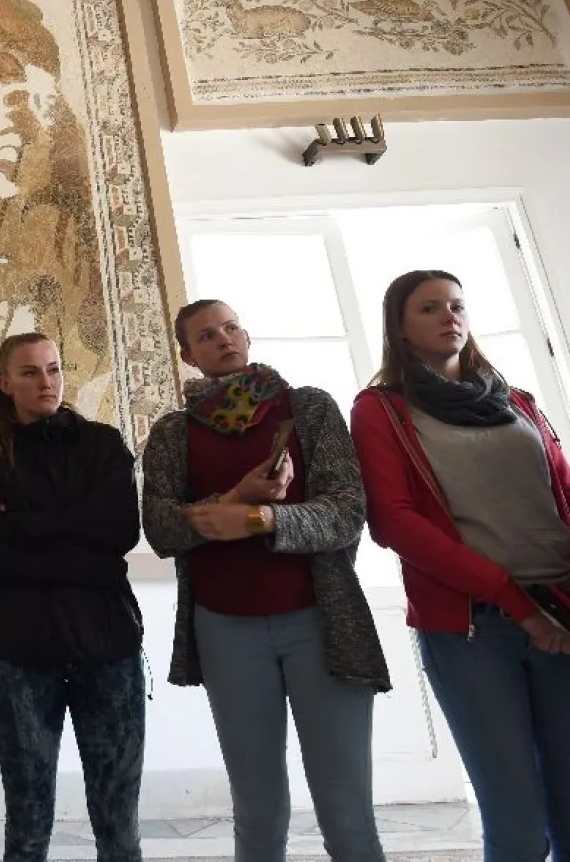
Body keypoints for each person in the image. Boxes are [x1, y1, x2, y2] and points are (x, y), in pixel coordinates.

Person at [351, 270, 570, 862]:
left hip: (568, 617)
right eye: (429, 308)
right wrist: (514, 601)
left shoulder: (518, 401)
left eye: (457, 305)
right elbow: (394, 522)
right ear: (399, 327)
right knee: (517, 822)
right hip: (474, 628)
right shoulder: (381, 409)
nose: (449, 316)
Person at [142, 301, 389, 862]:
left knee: (346, 810)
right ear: (188, 355)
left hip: (321, 624)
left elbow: (347, 511)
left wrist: (263, 519)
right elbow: (159, 528)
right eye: (207, 335)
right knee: (258, 809)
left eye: (231, 328)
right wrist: (233, 500)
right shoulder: (173, 432)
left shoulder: (309, 408)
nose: (223, 339)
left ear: (247, 336)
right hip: (225, 629)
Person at [0, 332, 145, 862]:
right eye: (30, 372)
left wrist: (28, 523)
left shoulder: (102, 444)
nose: (46, 381)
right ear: (5, 383)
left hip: (107, 645)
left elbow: (120, 533)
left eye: (53, 369)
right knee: (27, 818)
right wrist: (80, 535)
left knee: (118, 820)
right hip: (23, 650)